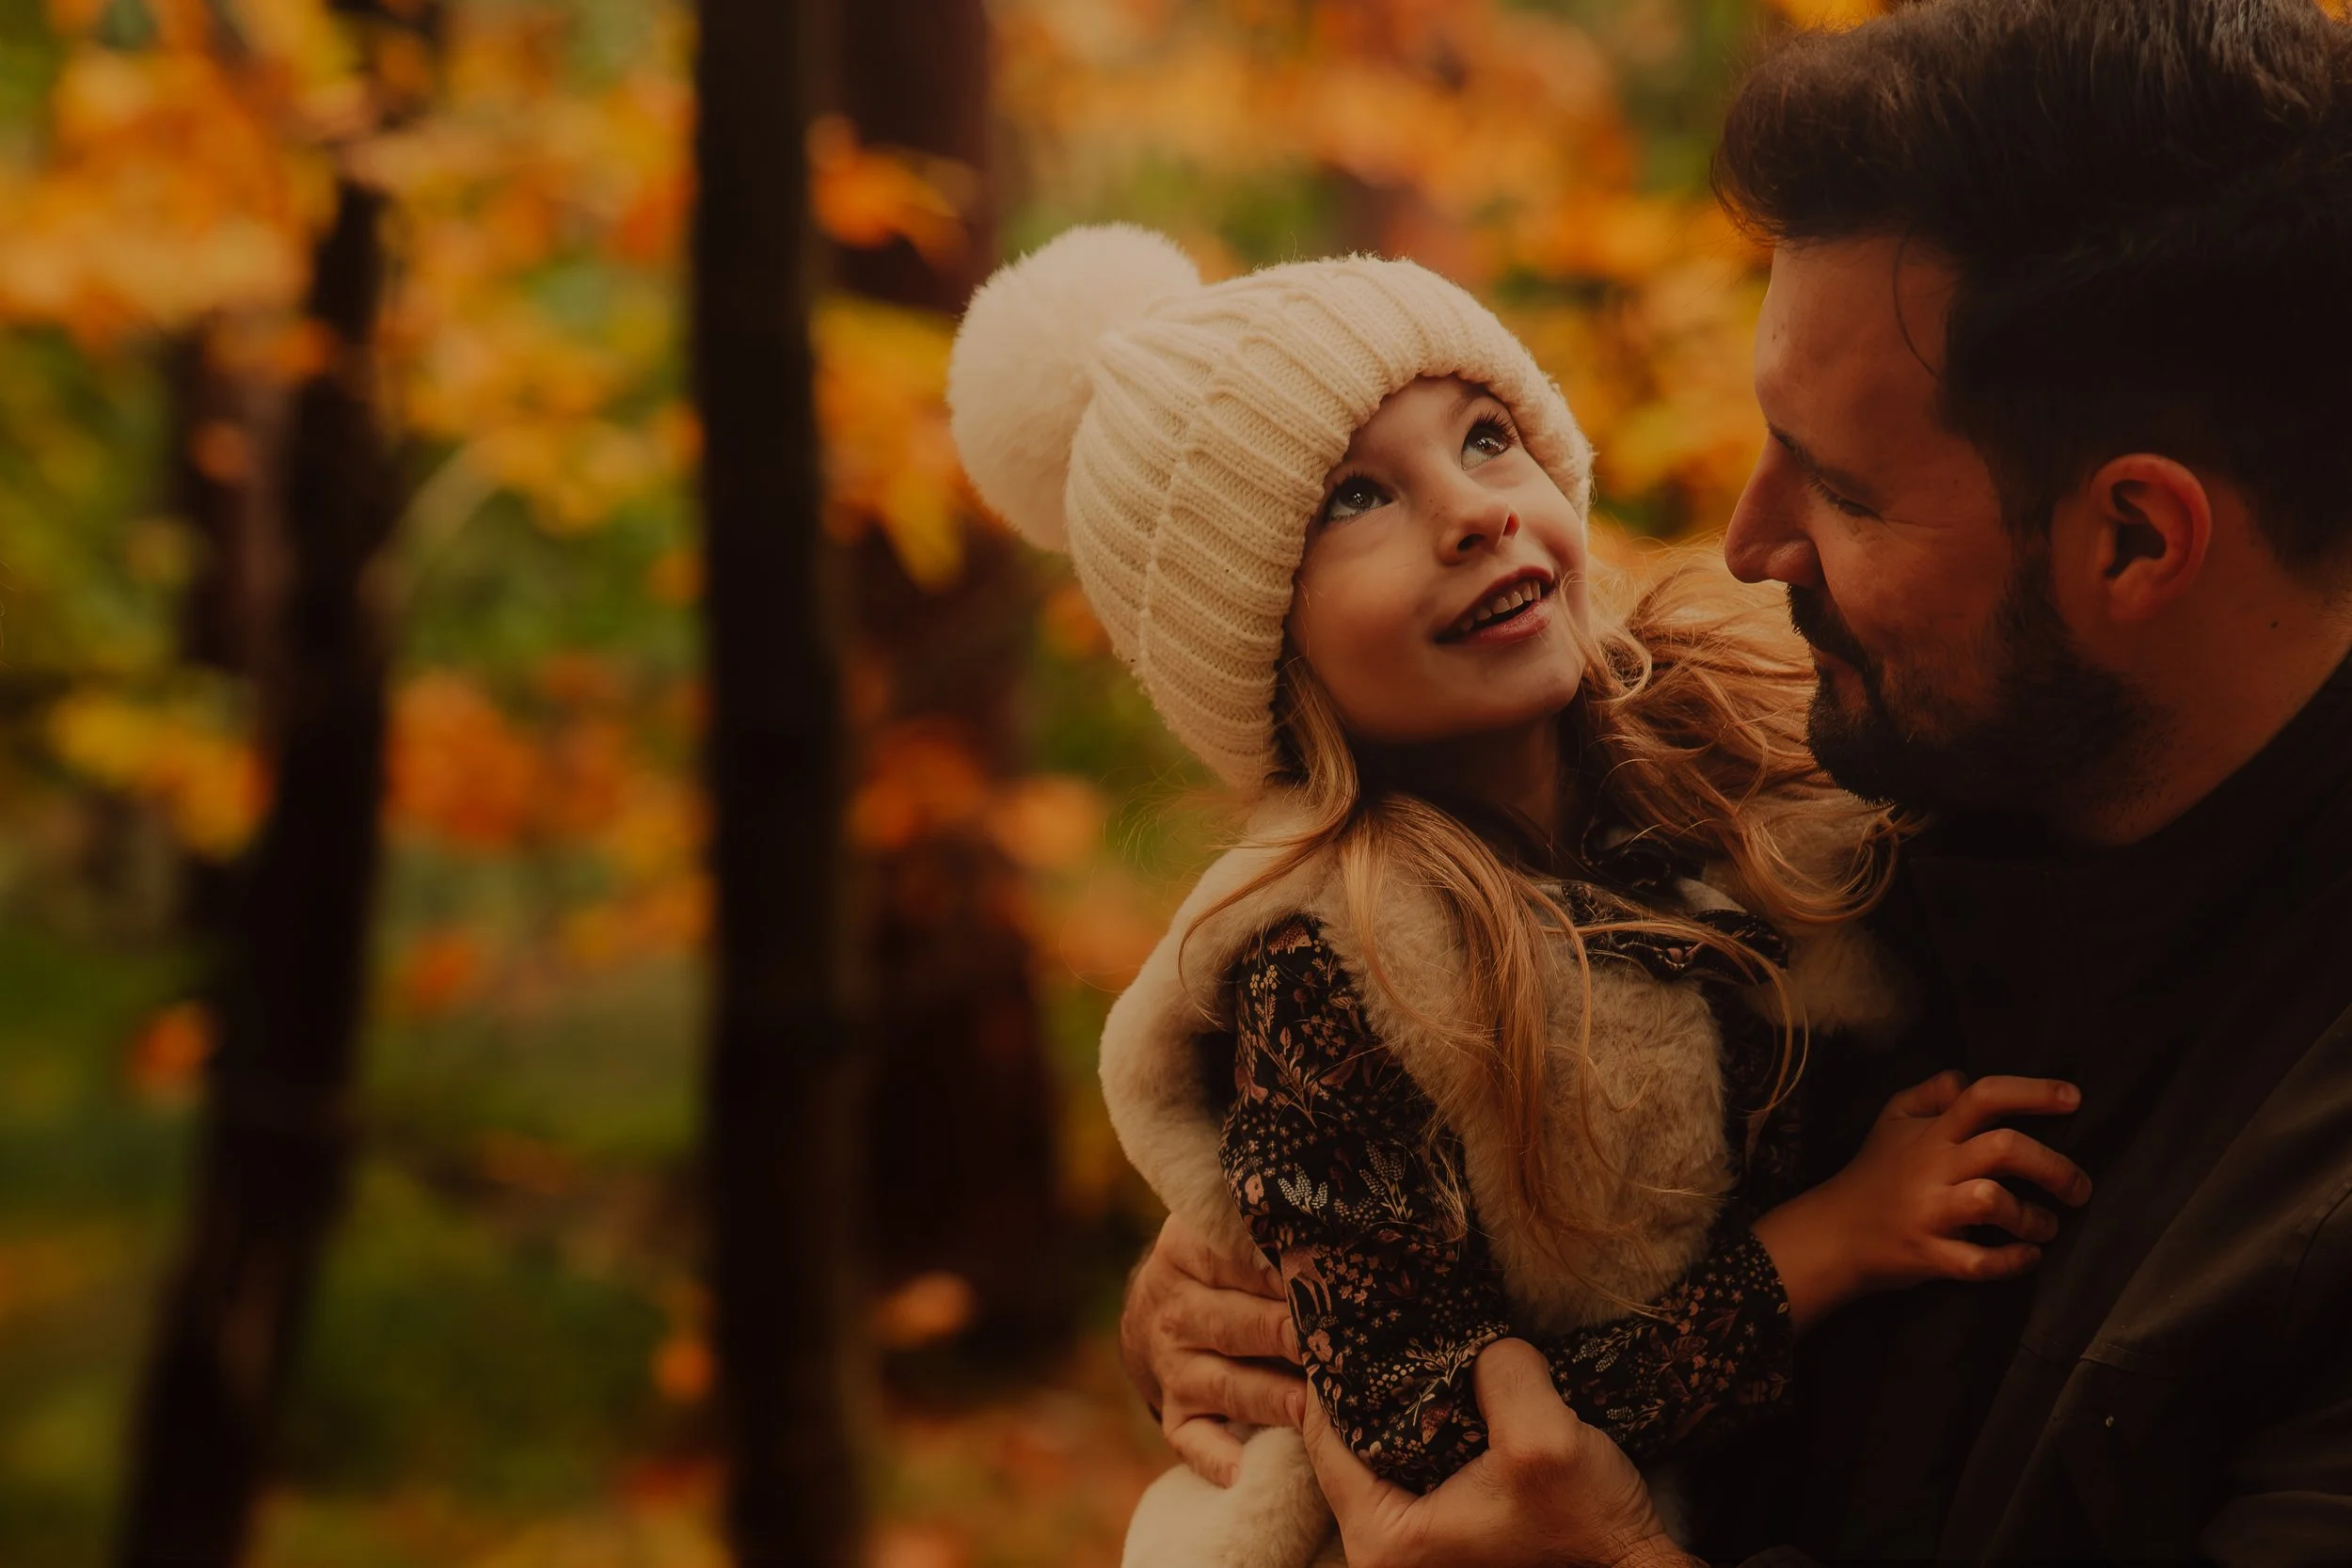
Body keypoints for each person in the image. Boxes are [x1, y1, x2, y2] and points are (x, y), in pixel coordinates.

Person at [1119, 0, 2352, 1560]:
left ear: (2134, 540)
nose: (1749, 546)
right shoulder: (1830, 817)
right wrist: (1230, 1290)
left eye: (1840, 488)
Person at [946, 225, 2090, 1567]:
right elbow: (1430, 1440)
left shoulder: (1750, 746)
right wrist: (1824, 1247)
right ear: (1259, 647)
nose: (1473, 507)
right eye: (1354, 499)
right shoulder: (1332, 964)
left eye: (1487, 436)